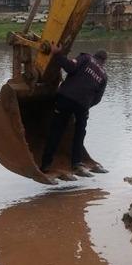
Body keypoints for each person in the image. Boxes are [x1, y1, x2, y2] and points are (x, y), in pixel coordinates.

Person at [40, 44, 108, 177]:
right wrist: (85, 105)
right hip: (83, 105)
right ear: (104, 61)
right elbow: (97, 99)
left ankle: (46, 164)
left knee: (56, 130)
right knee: (79, 133)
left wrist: (57, 54)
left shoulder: (86, 58)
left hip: (66, 98)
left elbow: (70, 67)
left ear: (95, 55)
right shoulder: (104, 76)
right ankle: (76, 163)